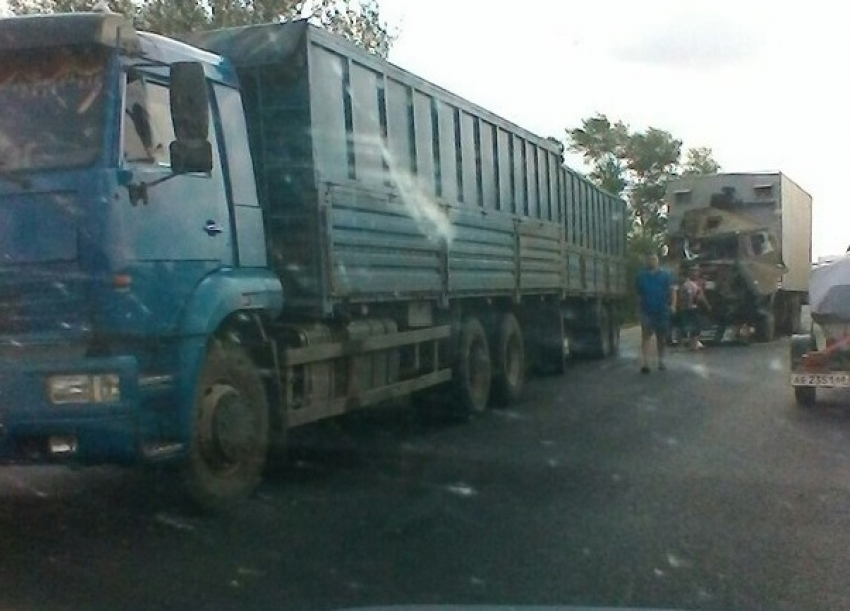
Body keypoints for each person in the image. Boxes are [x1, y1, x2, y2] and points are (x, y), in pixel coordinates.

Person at [636, 252, 676, 373]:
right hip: (646, 310)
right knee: (646, 336)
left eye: (654, 259)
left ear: (658, 261)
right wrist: (637, 310)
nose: (652, 261)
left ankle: (661, 360)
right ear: (647, 262)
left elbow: (672, 291)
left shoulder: (665, 276)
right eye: (650, 259)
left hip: (662, 309)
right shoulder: (641, 276)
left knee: (661, 337)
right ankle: (645, 363)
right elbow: (638, 295)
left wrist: (673, 305)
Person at [678, 266, 711, 350]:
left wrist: (706, 305)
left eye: (696, 271)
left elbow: (701, 296)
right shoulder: (687, 284)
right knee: (687, 327)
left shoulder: (697, 284)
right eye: (693, 271)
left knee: (695, 327)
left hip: (694, 308)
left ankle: (694, 344)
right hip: (688, 308)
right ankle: (684, 345)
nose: (695, 273)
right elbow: (699, 297)